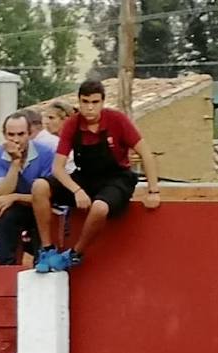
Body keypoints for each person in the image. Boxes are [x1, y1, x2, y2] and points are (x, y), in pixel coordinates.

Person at [33, 78, 161, 272]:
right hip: (84, 177)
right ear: (79, 102)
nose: (90, 108)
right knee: (39, 187)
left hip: (116, 178)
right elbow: (58, 168)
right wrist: (76, 190)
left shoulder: (117, 120)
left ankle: (75, 254)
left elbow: (146, 153)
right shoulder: (72, 125)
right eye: (85, 102)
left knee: (99, 208)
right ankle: (47, 249)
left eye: (94, 102)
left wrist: (153, 190)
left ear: (102, 102)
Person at [0, 110, 55, 267]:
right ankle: (6, 266)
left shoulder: (45, 153)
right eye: (11, 135)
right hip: (15, 208)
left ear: (30, 134)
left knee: (41, 217)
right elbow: (3, 191)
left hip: (41, 207)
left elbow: (48, 196)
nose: (16, 140)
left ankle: (43, 261)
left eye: (21, 134)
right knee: (5, 216)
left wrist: (15, 197)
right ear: (4, 135)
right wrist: (15, 162)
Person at [42, 100, 76, 171]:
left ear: (66, 120)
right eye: (46, 118)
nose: (47, 122)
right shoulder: (46, 142)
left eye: (51, 118)